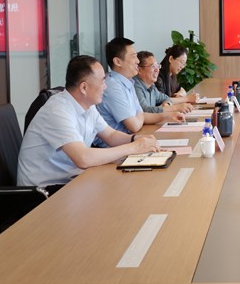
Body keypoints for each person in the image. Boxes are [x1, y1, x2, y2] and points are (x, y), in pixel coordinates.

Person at [17, 55, 160, 188]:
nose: (105, 86)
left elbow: (110, 136)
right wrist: (133, 148)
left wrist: (136, 139)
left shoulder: (88, 106)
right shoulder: (57, 111)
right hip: (45, 192)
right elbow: (83, 158)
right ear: (84, 87)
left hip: (72, 181)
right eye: (102, 81)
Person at [134, 51, 194, 116]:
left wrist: (167, 104)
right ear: (139, 70)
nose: (157, 70)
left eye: (157, 66)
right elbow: (145, 111)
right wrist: (175, 108)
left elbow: (166, 98)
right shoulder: (135, 86)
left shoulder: (152, 86)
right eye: (153, 66)